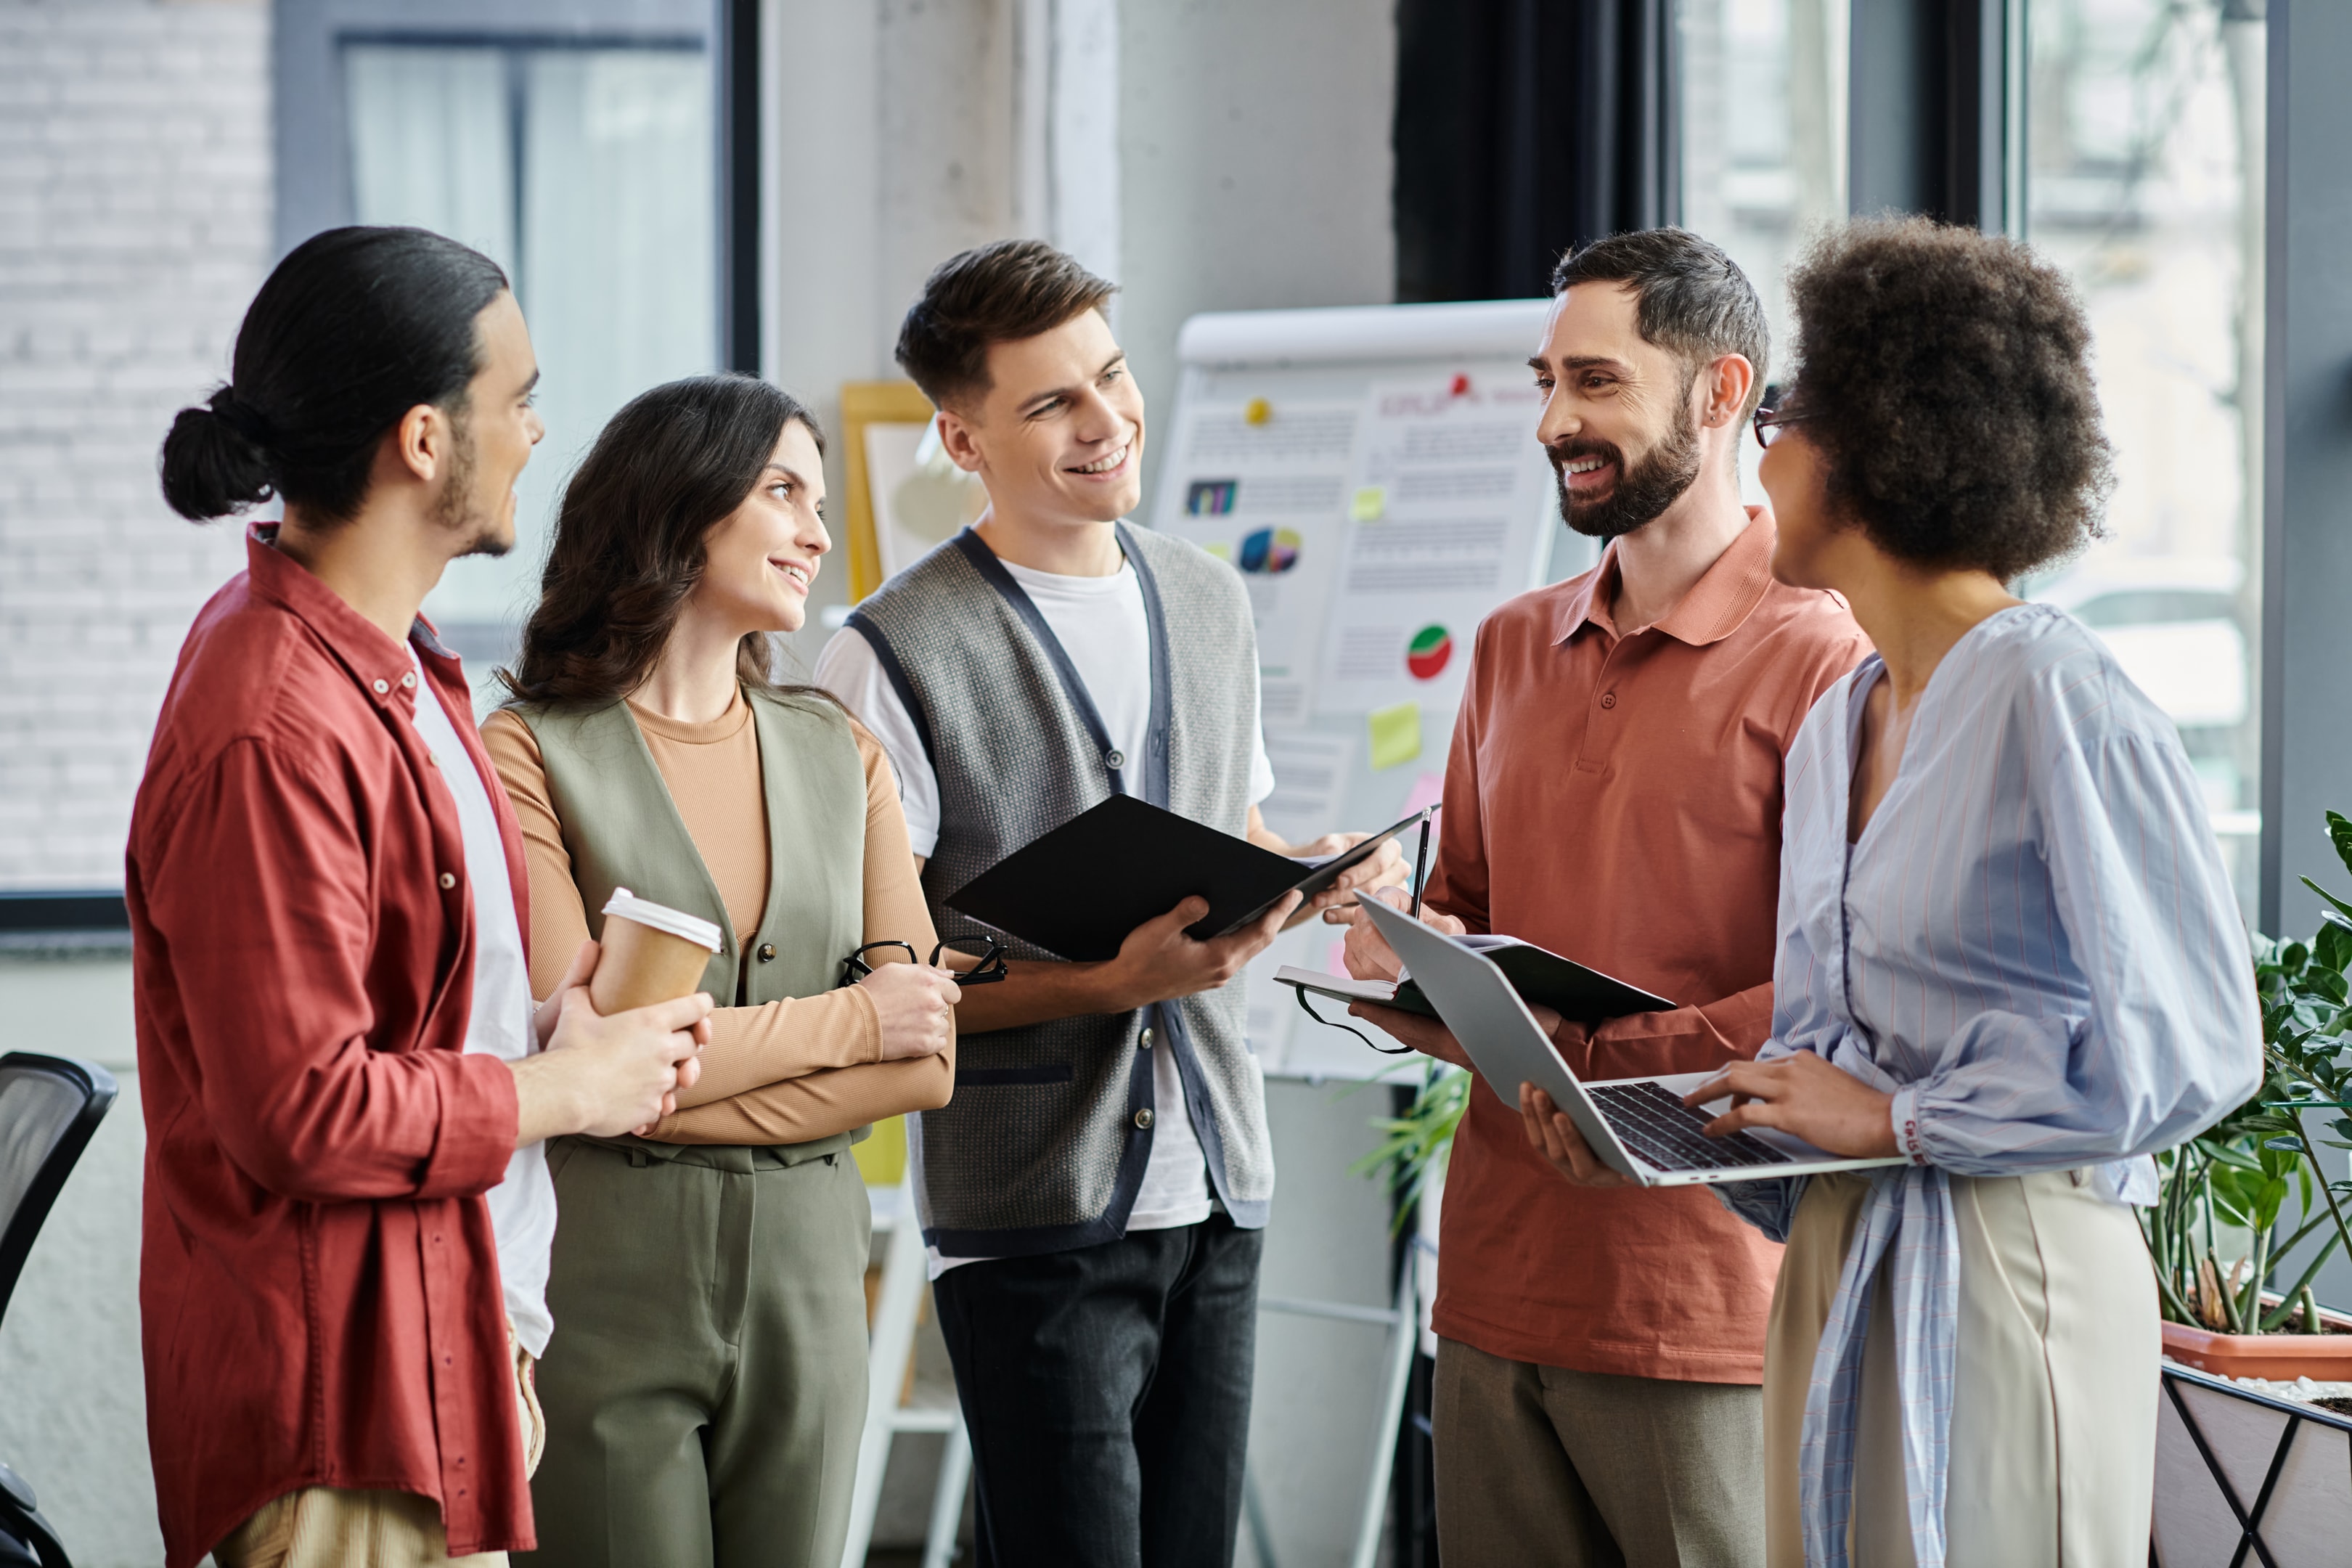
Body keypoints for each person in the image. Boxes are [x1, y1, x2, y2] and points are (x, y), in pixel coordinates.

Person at [1519, 218, 2263, 1566]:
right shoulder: (1837, 724)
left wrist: (1902, 1120)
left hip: (2007, 1273)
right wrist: (1672, 1140)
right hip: (1836, 1271)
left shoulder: (2055, 693)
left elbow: (2199, 1053)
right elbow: (1830, 1084)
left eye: (1789, 414)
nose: (1764, 448)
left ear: (1881, 442)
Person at [814, 238, 1402, 1567]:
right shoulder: (890, 650)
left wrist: (1310, 873)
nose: (1107, 422)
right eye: (1051, 404)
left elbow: (1226, 841)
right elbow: (874, 983)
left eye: (1114, 377)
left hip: (1217, 1195)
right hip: (1032, 1215)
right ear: (961, 440)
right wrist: (1101, 987)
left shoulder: (1206, 596)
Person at [135, 226, 712, 1568]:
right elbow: (300, 1108)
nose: (536, 429)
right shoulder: (272, 719)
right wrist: (566, 1096)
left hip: (451, 1345)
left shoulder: (408, 674)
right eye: (513, 399)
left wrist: (556, 1036)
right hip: (349, 1411)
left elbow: (418, 1022)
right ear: (422, 439)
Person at [1334, 228, 1869, 1567]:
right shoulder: (1514, 642)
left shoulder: (1827, 656)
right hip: (1498, 1292)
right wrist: (1398, 943)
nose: (1557, 421)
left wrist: (1587, 1064)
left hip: (1705, 1310)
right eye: (1545, 382)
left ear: (1723, 391)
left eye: (1596, 382)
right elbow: (1465, 914)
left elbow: (1838, 997)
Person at [481, 374, 959, 1568]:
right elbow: (574, 1059)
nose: (815, 529)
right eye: (782, 491)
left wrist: (678, 1074)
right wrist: (855, 1018)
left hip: (811, 1279)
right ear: (679, 507)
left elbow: (928, 1065)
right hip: (604, 1278)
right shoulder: (526, 750)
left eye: (817, 496)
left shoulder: (838, 747)